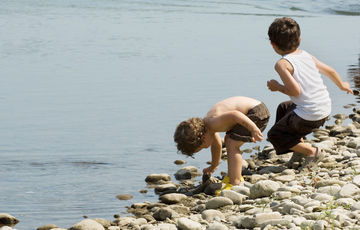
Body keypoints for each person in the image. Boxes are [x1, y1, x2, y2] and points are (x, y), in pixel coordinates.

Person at [266, 17, 353, 168]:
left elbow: (295, 90)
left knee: (274, 135)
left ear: (273, 44)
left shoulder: (282, 64)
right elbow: (330, 71)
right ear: (299, 39)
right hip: (324, 108)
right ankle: (299, 150)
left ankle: (312, 152)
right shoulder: (305, 55)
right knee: (284, 108)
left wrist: (277, 86)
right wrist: (341, 85)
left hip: (310, 116)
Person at [174, 96, 270, 185]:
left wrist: (253, 129)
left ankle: (235, 182)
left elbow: (234, 114)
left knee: (232, 143)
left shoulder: (213, 123)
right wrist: (213, 166)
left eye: (203, 147)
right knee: (229, 139)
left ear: (203, 139)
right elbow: (217, 146)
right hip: (252, 111)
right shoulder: (209, 128)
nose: (206, 147)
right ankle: (234, 176)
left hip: (256, 112)